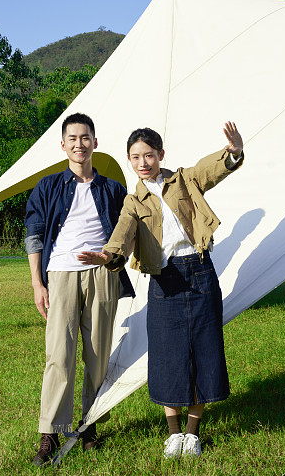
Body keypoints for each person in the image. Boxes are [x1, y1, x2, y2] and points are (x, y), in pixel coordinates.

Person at [78, 122, 243, 459]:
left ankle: (192, 434)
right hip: (164, 280)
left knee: (203, 351)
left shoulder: (184, 179)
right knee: (168, 357)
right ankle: (173, 434)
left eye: (149, 155)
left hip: (199, 271)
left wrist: (234, 153)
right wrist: (108, 255)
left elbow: (211, 169)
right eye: (136, 157)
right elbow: (122, 233)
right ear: (129, 159)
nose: (143, 163)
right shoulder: (133, 202)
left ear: (160, 155)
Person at [24, 113, 134, 466]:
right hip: (60, 273)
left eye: (85, 137)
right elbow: (34, 234)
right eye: (72, 138)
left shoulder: (113, 189)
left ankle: (90, 426)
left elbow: (127, 234)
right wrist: (37, 283)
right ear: (63, 145)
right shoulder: (47, 187)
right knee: (59, 354)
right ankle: (50, 433)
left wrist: (110, 257)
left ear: (95, 142)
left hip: (101, 274)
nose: (79, 144)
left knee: (98, 355)